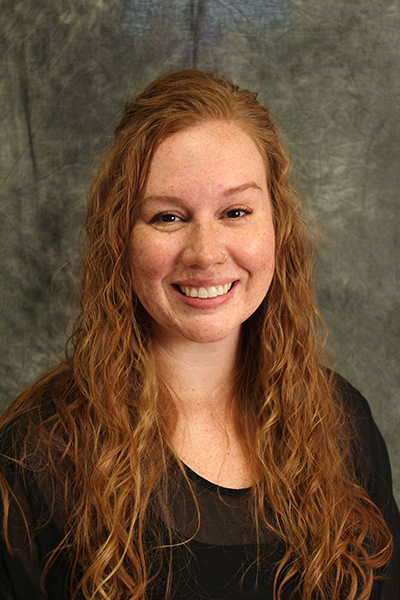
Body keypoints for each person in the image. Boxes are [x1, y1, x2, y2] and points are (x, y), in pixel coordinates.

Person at [0, 68, 398, 600]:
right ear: (120, 238)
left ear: (277, 227)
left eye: (236, 211)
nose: (206, 253)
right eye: (168, 217)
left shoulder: (343, 424)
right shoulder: (33, 455)